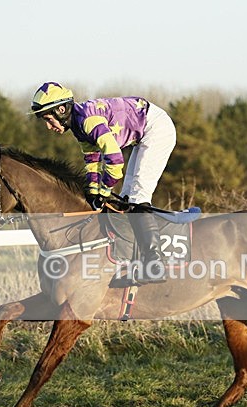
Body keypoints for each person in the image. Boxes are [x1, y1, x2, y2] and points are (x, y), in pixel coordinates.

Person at [30, 82, 177, 284]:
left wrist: (105, 190)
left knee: (138, 197)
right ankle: (135, 260)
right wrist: (93, 190)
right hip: (144, 130)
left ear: (61, 110)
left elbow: (115, 161)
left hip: (156, 128)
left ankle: (155, 265)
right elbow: (92, 159)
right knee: (127, 199)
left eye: (49, 119)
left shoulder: (88, 121)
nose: (48, 126)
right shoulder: (78, 126)